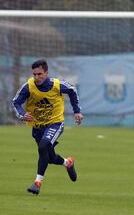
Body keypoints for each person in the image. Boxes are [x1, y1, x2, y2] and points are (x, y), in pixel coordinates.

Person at [12, 59, 83, 195]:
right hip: (38, 127)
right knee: (49, 157)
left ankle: (37, 183)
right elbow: (16, 103)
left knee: (43, 146)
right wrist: (22, 114)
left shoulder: (56, 85)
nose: (37, 77)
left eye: (39, 74)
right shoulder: (28, 86)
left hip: (55, 123)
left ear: (46, 73)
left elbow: (72, 90)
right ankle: (67, 163)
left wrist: (77, 111)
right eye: (34, 74)